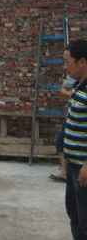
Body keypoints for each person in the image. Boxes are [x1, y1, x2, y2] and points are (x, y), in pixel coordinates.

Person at [62, 39, 87, 240]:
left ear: (82, 62)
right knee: (75, 213)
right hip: (73, 163)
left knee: (85, 221)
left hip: (83, 168)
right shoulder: (80, 85)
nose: (65, 66)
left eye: (68, 61)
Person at [51, 49, 77, 182]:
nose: (65, 66)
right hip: (71, 115)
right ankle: (64, 171)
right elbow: (62, 91)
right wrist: (73, 94)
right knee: (61, 141)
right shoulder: (72, 76)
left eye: (67, 61)